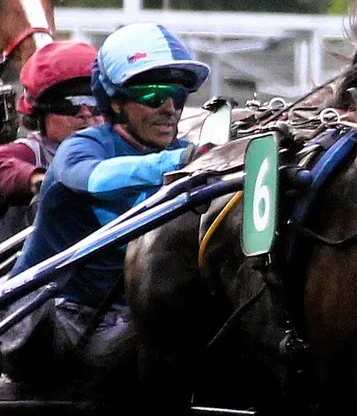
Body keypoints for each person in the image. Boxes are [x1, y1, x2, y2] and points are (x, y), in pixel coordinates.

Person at [1, 24, 206, 384]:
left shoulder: (182, 151)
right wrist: (183, 162)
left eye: (177, 94)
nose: (169, 108)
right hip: (45, 318)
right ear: (115, 102)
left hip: (133, 316)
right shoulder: (81, 148)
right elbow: (94, 179)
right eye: (153, 94)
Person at [0, 40, 101, 239]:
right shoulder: (31, 152)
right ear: (39, 113)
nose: (85, 114)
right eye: (70, 104)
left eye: (94, 102)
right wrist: (36, 179)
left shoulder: (123, 145)